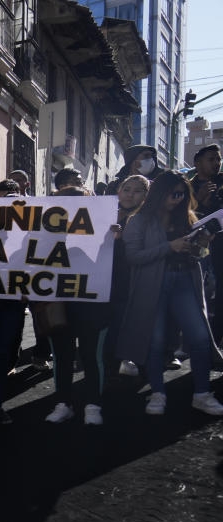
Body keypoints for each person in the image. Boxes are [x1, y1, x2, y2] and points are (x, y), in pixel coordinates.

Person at [117, 172, 223, 416]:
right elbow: (133, 257)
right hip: (153, 284)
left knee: (199, 337)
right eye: (173, 194)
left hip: (184, 280)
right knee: (154, 341)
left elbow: (198, 255)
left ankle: (202, 393)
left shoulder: (187, 217)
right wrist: (169, 246)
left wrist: (202, 245)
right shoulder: (139, 220)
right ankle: (157, 392)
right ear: (159, 194)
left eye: (182, 195)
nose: (177, 200)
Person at [41, 186, 113, 425]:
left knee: (91, 356)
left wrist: (115, 240)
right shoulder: (44, 234)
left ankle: (93, 404)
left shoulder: (105, 231)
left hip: (92, 304)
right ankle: (64, 403)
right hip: (59, 303)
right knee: (62, 355)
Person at [107, 175, 149, 377]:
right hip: (101, 282)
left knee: (119, 325)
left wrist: (123, 239)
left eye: (138, 190)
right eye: (127, 189)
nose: (130, 194)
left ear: (145, 197)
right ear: (118, 191)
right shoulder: (103, 213)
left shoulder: (145, 220)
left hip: (127, 281)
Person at [189, 145, 223, 341]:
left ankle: (216, 339)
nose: (216, 163)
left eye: (218, 159)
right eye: (211, 159)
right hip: (197, 246)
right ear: (197, 163)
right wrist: (199, 200)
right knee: (197, 290)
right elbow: (183, 216)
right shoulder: (186, 185)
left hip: (220, 246)